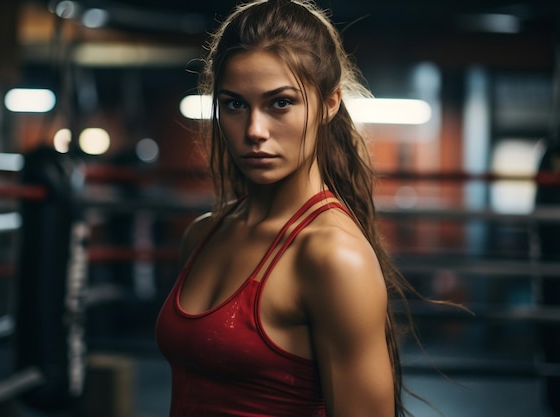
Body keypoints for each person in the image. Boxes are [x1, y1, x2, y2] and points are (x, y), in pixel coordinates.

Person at [155, 1, 414, 416]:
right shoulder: (202, 234)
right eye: (235, 104)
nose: (255, 131)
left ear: (329, 104)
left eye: (280, 103)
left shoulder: (334, 257)